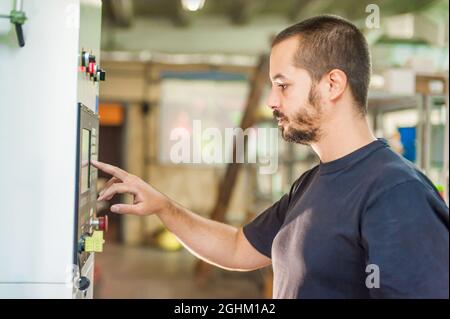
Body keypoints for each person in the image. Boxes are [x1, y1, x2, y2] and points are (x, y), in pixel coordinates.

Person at [92, 15, 449, 299]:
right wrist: (162, 207)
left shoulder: (396, 191)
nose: (272, 101)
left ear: (333, 84)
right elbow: (237, 249)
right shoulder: (311, 183)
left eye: (283, 85)